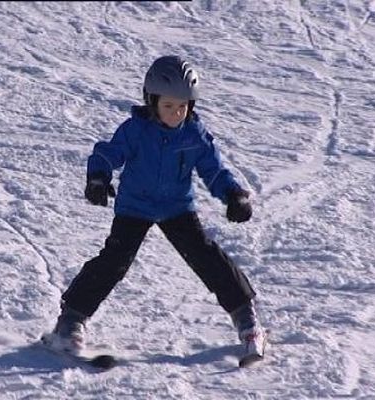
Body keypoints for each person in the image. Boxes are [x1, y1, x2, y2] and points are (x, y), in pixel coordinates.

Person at [43, 55, 266, 360]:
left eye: (183, 106)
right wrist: (98, 178)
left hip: (177, 207)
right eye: (168, 106)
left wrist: (233, 195)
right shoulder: (136, 130)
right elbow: (109, 154)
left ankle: (246, 317)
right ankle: (70, 321)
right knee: (115, 260)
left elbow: (214, 170)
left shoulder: (194, 135)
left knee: (205, 254)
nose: (176, 113)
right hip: (135, 206)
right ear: (152, 102)